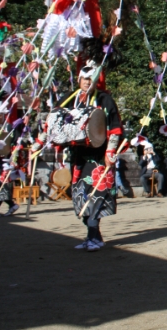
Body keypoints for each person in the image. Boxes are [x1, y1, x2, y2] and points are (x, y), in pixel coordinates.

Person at [42, 62, 123, 252]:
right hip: (78, 156)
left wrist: (111, 151)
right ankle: (93, 236)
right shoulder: (70, 99)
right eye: (84, 79)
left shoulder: (104, 99)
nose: (87, 82)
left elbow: (115, 127)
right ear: (79, 80)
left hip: (99, 156)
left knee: (96, 194)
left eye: (91, 79)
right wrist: (42, 142)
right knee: (81, 195)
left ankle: (94, 236)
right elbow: (55, 121)